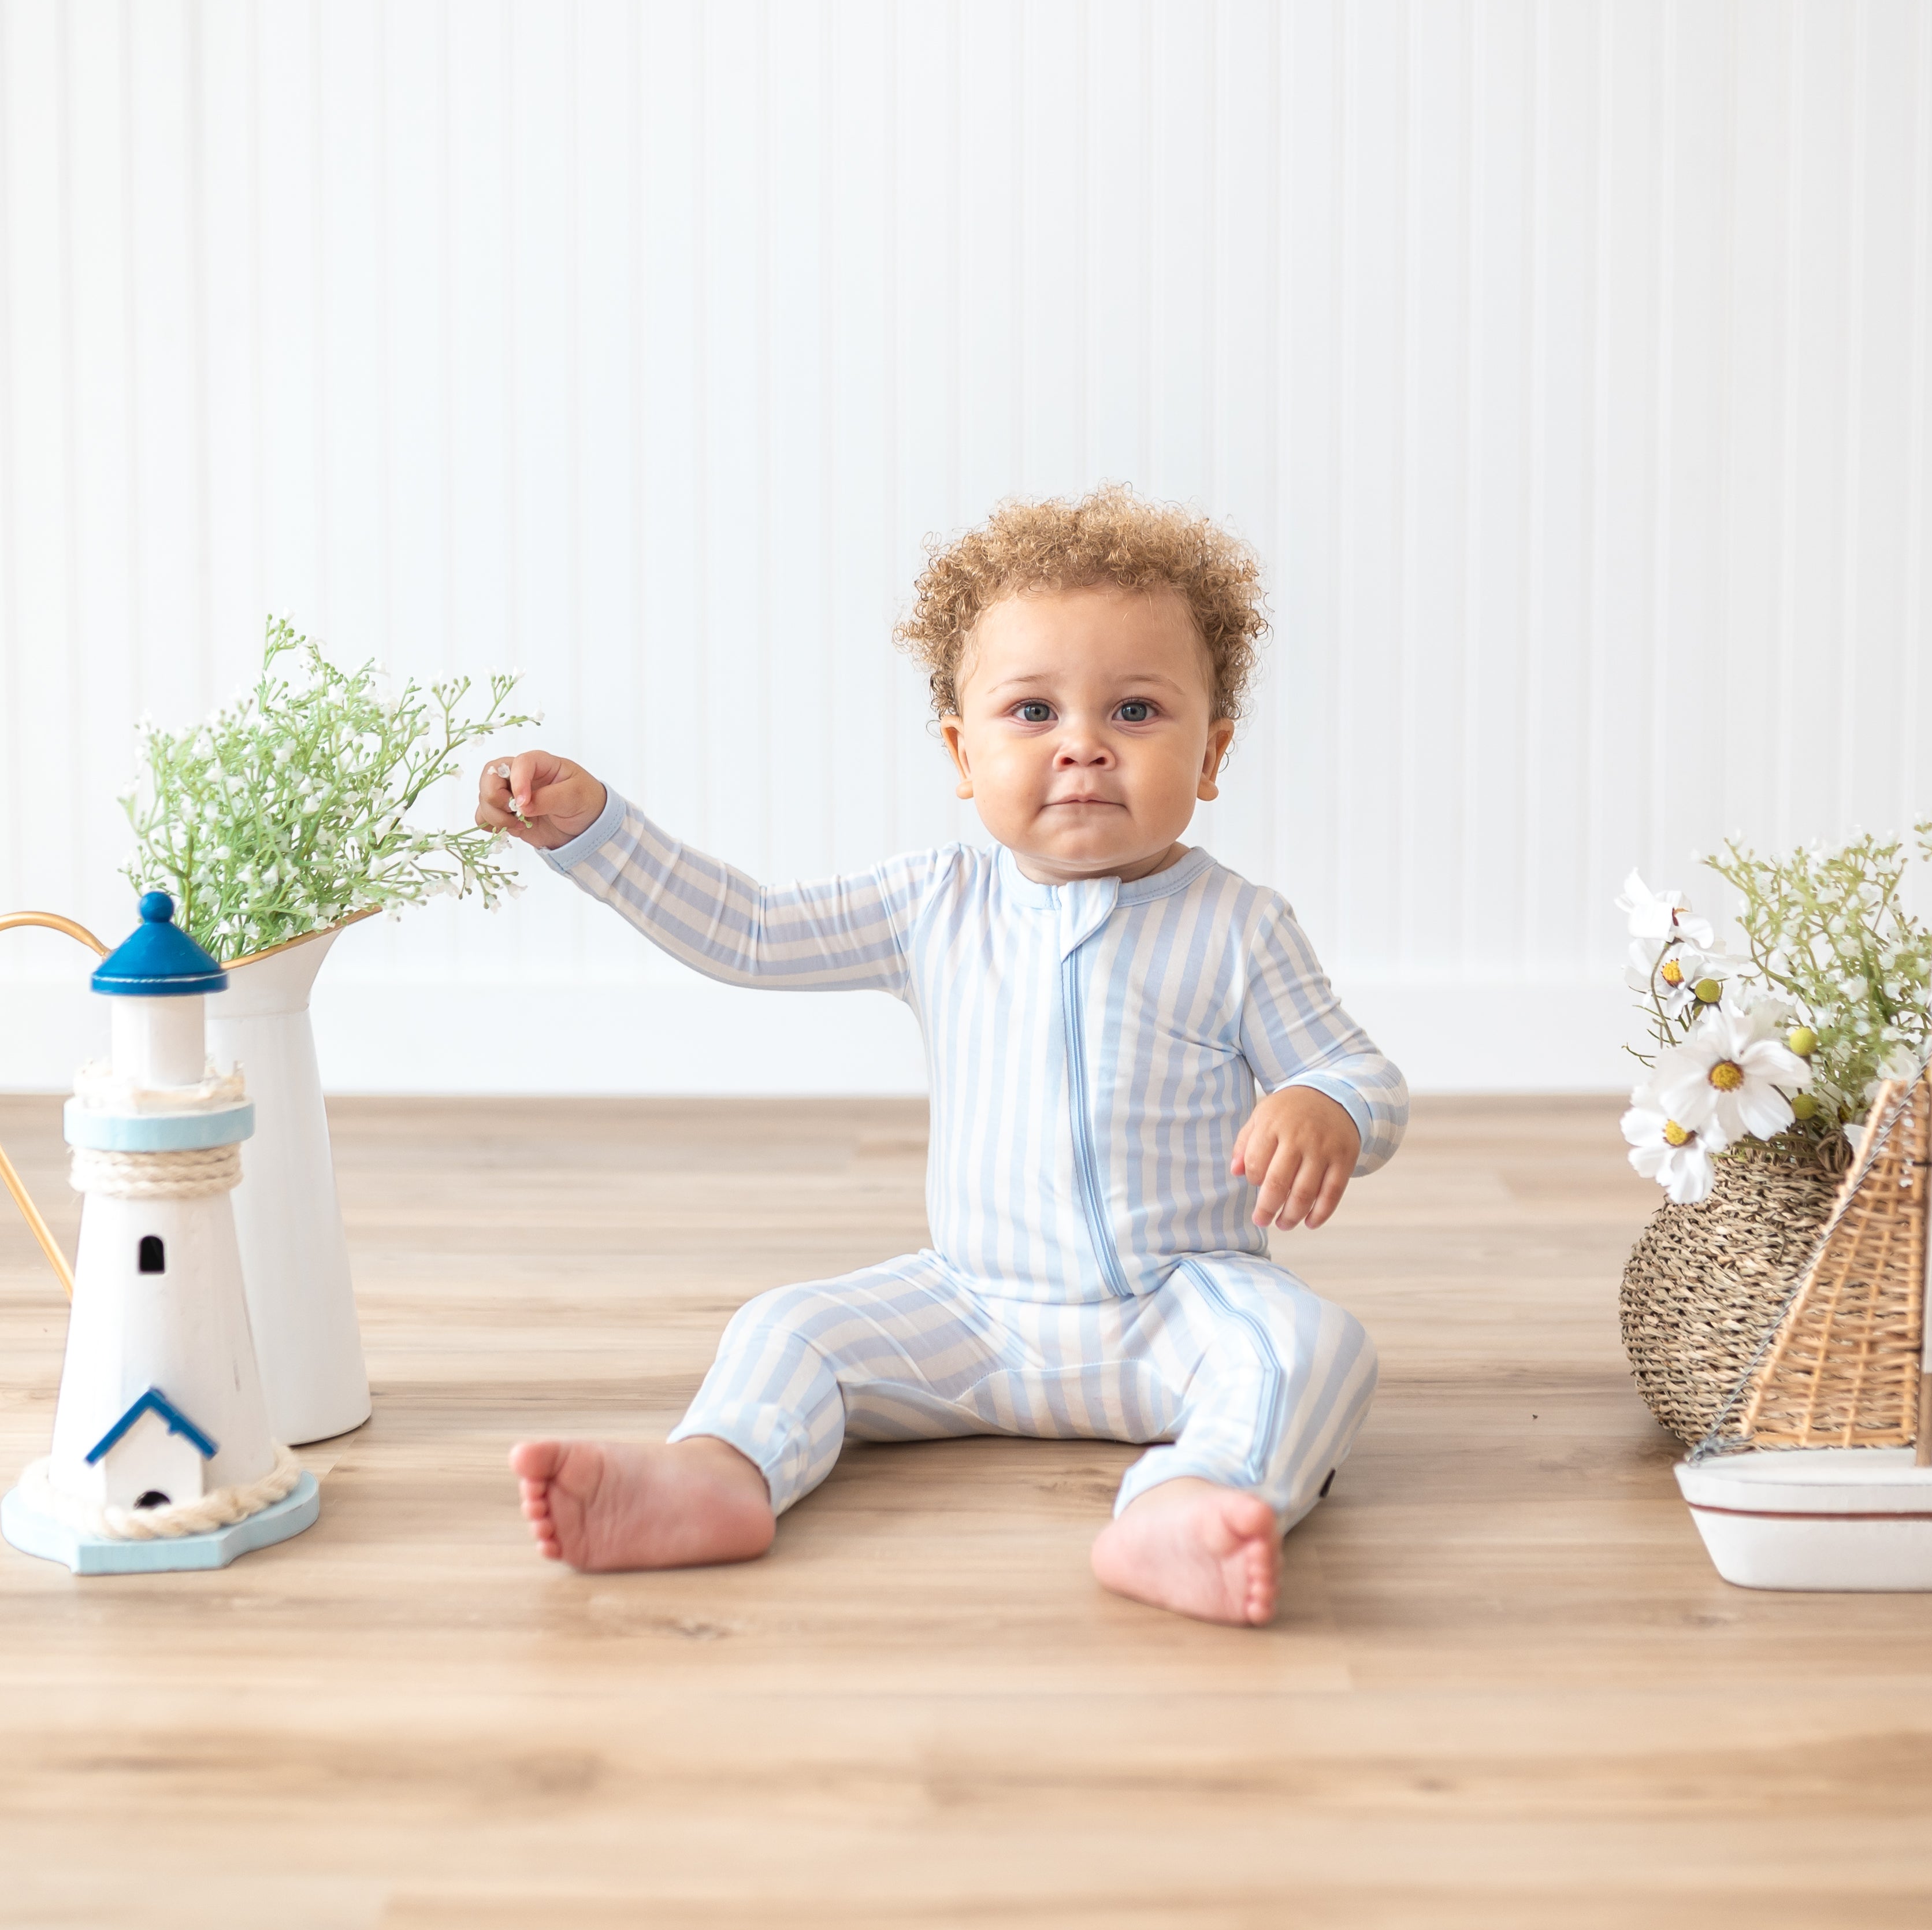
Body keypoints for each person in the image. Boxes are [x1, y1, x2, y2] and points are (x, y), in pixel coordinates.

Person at [487, 485, 1406, 1626]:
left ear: (1211, 751)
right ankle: (717, 1474)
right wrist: (598, 834)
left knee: (1312, 1347)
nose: (1082, 744)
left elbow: (1360, 1073)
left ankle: (1190, 1500)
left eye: (1134, 710)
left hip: (1175, 1307)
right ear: (963, 753)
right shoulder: (934, 903)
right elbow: (752, 932)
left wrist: (1326, 1104)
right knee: (788, 1325)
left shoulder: (1239, 927)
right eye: (1032, 711)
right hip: (971, 1311)